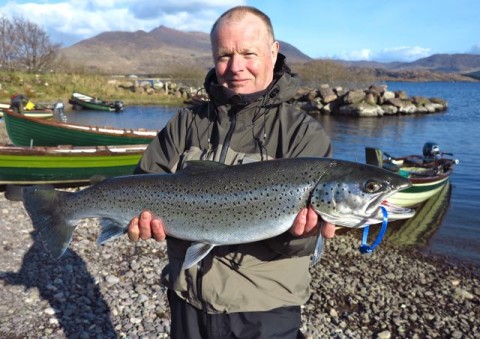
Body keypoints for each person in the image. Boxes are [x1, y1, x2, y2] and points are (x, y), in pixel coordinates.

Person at [128, 6, 336, 339]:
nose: (236, 67)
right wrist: (140, 223)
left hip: (263, 311)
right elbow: (142, 185)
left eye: (248, 53)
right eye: (225, 55)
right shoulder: (188, 123)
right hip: (187, 299)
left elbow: (303, 247)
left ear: (273, 51)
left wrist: (304, 235)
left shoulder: (302, 134)